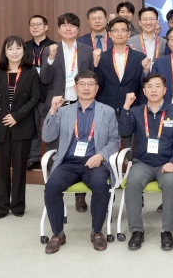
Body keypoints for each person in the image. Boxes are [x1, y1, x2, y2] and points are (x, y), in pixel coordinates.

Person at [42, 71, 120, 254]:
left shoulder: (107, 111)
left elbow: (115, 141)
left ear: (97, 88)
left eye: (90, 84)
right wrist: (52, 110)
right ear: (75, 88)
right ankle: (58, 234)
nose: (86, 88)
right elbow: (47, 136)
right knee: (52, 186)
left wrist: (101, 156)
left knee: (100, 185)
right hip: (68, 162)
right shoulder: (64, 111)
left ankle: (97, 232)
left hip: (95, 162)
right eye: (82, 84)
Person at [118, 74, 173, 250]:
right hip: (142, 162)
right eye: (149, 86)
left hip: (168, 163)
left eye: (158, 86)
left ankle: (167, 231)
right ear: (144, 91)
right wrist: (126, 106)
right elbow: (124, 130)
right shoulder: (136, 111)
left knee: (171, 183)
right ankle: (136, 231)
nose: (154, 90)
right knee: (132, 182)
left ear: (165, 90)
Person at [0, 36, 40, 219]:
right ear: (4, 52)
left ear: (23, 51)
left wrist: (16, 116)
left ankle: (18, 206)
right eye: (10, 48)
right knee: (1, 168)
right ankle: (2, 206)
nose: (14, 52)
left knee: (20, 168)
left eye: (18, 48)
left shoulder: (31, 72)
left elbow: (35, 98)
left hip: (22, 124)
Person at [40, 13, 95, 213]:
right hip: (59, 107)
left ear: (78, 29)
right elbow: (44, 79)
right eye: (64, 25)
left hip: (82, 107)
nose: (68, 28)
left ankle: (80, 197)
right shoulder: (50, 50)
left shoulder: (87, 51)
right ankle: (56, 195)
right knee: (55, 151)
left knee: (81, 150)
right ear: (58, 29)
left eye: (72, 25)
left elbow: (95, 79)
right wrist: (51, 59)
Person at [94, 17, 149, 117]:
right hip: (106, 110)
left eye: (123, 30)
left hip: (133, 110)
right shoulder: (101, 58)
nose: (119, 34)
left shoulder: (140, 58)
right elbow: (98, 85)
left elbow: (143, 87)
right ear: (109, 34)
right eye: (115, 30)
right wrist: (95, 65)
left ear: (129, 34)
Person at [24, 15, 56, 171]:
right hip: (29, 94)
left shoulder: (55, 46)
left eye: (38, 24)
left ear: (46, 27)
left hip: (48, 93)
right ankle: (34, 157)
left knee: (50, 126)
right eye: (32, 24)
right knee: (32, 127)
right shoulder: (23, 46)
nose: (35, 27)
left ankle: (52, 157)